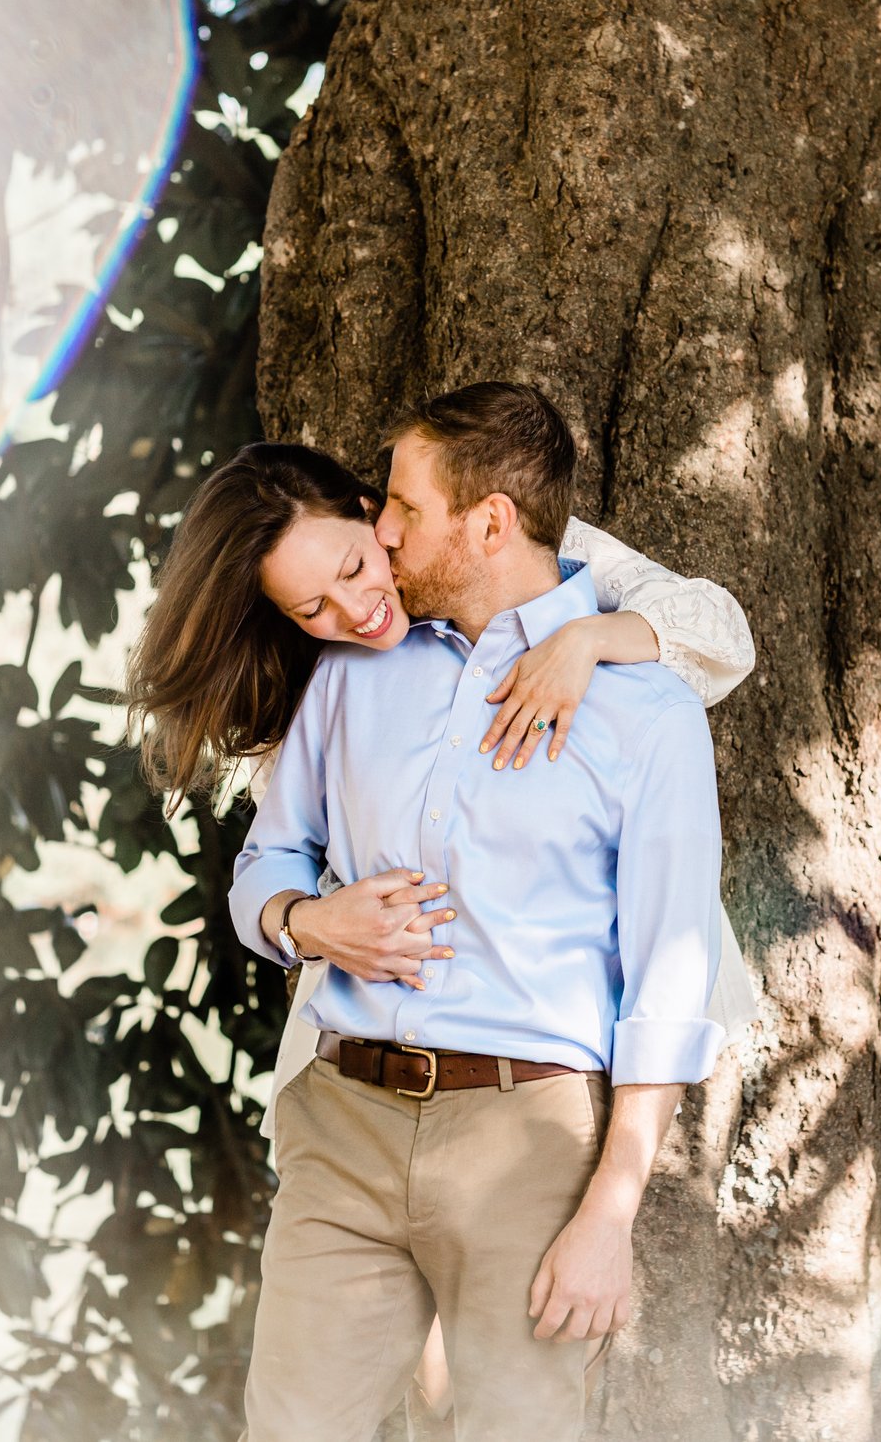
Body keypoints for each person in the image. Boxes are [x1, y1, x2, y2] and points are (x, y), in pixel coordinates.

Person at [154, 382, 731, 1440]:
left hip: (528, 1134)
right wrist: (307, 919)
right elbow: (266, 858)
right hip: (343, 1118)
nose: (382, 528)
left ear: (490, 522)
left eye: (404, 510)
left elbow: (667, 981)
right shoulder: (348, 675)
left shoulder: (646, 710)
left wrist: (610, 1209)